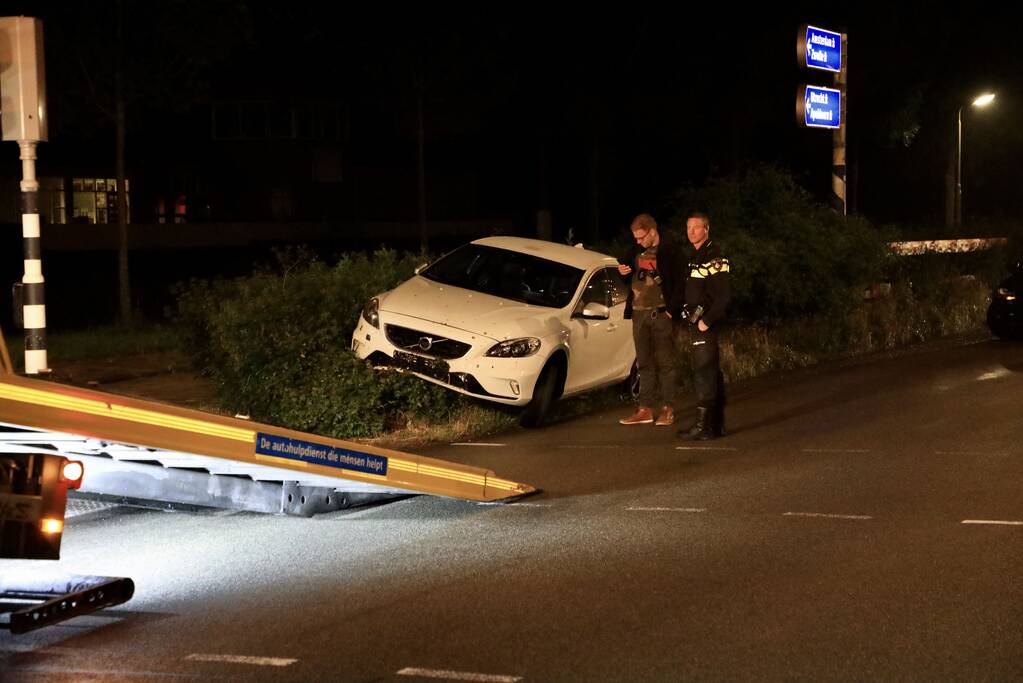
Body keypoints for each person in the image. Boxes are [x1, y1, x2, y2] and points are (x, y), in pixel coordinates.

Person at [617, 213, 687, 426]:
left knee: (665, 362)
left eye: (641, 237)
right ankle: (645, 409)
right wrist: (623, 272)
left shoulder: (671, 251)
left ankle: (668, 408)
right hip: (639, 314)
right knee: (644, 363)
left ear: (652, 231)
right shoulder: (636, 251)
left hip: (661, 313)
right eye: (635, 238)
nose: (638, 242)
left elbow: (680, 283)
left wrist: (671, 311)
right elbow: (628, 275)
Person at [678, 212, 730, 440]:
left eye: (696, 228)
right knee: (709, 373)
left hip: (705, 325)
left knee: (704, 373)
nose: (691, 232)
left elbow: (724, 296)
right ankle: (714, 426)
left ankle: (703, 426)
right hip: (697, 322)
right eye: (688, 227)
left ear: (706, 230)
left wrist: (705, 322)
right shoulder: (696, 255)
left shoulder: (713, 255)